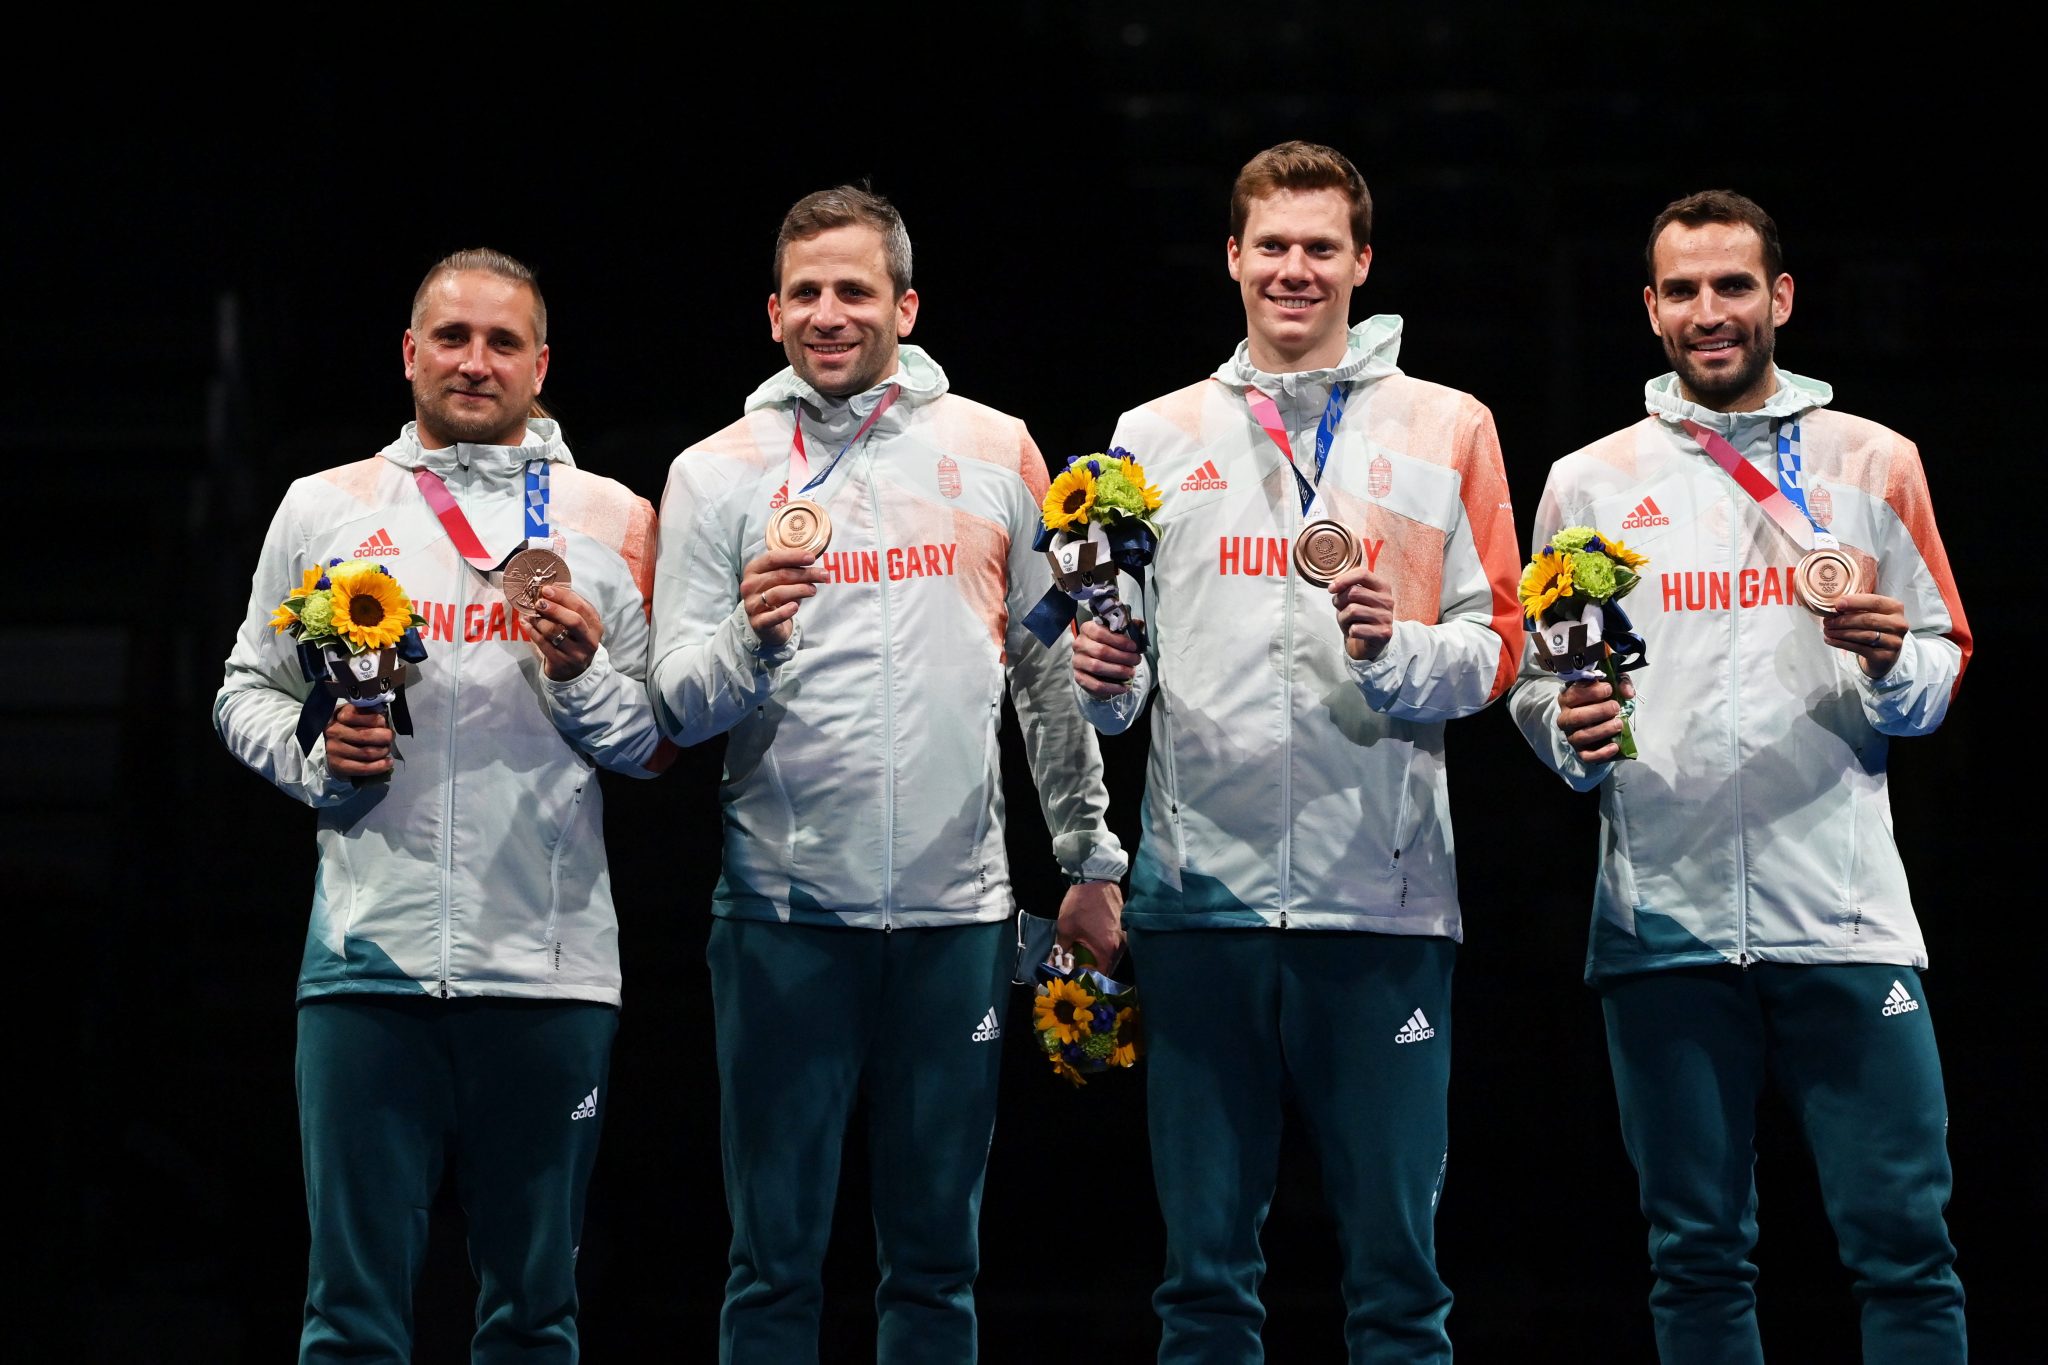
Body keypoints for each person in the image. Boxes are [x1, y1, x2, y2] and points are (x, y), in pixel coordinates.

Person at [647, 185, 1127, 1364]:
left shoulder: (993, 447)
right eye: (804, 292)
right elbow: (676, 704)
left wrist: (1087, 860)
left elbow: (1047, 672)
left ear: (904, 306)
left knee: (935, 1270)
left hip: (952, 923)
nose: (828, 313)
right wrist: (748, 641)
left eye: (853, 290)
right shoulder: (713, 472)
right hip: (779, 919)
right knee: (770, 1269)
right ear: (769, 314)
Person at [1072, 141, 1521, 1363]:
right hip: (1198, 898)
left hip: (1377, 900)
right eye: (1270, 245)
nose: (1293, 269)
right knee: (1203, 1283)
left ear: (1361, 262)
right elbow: (1122, 675)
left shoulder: (1447, 426)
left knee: (1397, 1281)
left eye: (1320, 247)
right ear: (1231, 258)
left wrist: (1394, 652)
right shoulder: (1150, 434)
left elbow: (1499, 652)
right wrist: (1106, 682)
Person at [1506, 190, 1971, 1364]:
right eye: (1681, 290)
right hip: (1663, 924)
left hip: (1846, 919)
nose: (1707, 312)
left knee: (1904, 1252)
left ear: (1780, 298)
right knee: (1695, 1258)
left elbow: (1938, 667)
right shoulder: (1587, 481)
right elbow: (1532, 681)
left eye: (1730, 286)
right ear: (1650, 310)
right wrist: (1570, 730)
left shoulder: (1874, 460)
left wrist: (1883, 661)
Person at [215, 248, 669, 1362]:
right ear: (410, 354)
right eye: (452, 339)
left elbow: (654, 745)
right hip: (366, 961)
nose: (475, 362)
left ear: (540, 363)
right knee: (350, 1319)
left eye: (502, 341)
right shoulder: (322, 506)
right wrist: (317, 759)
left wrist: (576, 675)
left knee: (534, 1318)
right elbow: (243, 690)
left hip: (549, 969)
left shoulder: (612, 520)